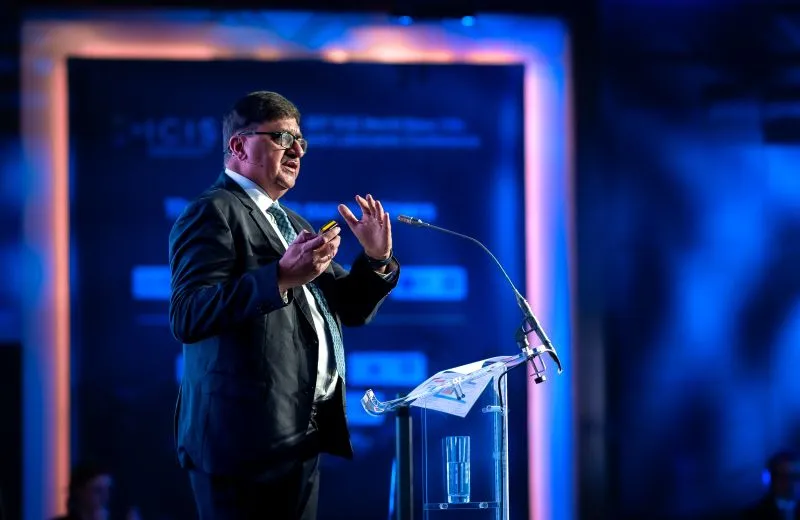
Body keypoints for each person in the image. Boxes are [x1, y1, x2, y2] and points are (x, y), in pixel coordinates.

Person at [169, 91, 400, 519]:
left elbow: (350, 307)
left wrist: (376, 259)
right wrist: (279, 278)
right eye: (281, 138)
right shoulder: (212, 212)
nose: (297, 151)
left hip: (299, 437)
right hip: (240, 444)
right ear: (239, 146)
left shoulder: (292, 222)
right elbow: (189, 313)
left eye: (300, 142)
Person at [742, 450, 800, 520]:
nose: (790, 482)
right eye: (783, 476)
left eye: (795, 476)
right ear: (771, 478)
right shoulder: (752, 515)